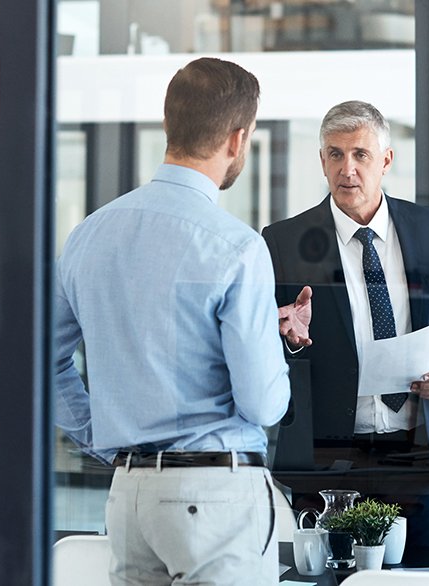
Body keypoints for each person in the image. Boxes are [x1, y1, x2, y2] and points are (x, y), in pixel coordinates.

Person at [52, 57, 291, 586]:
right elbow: (262, 403)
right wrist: (273, 348)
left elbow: (41, 361)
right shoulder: (237, 247)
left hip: (129, 495)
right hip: (213, 497)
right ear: (237, 139)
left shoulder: (89, 234)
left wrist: (104, 435)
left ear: (169, 125)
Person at [262, 100, 429, 566]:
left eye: (360, 154)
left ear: (386, 160)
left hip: (419, 451)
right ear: (321, 160)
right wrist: (288, 340)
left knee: (422, 576)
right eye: (334, 154)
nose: (346, 168)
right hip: (328, 457)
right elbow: (263, 343)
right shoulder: (283, 241)